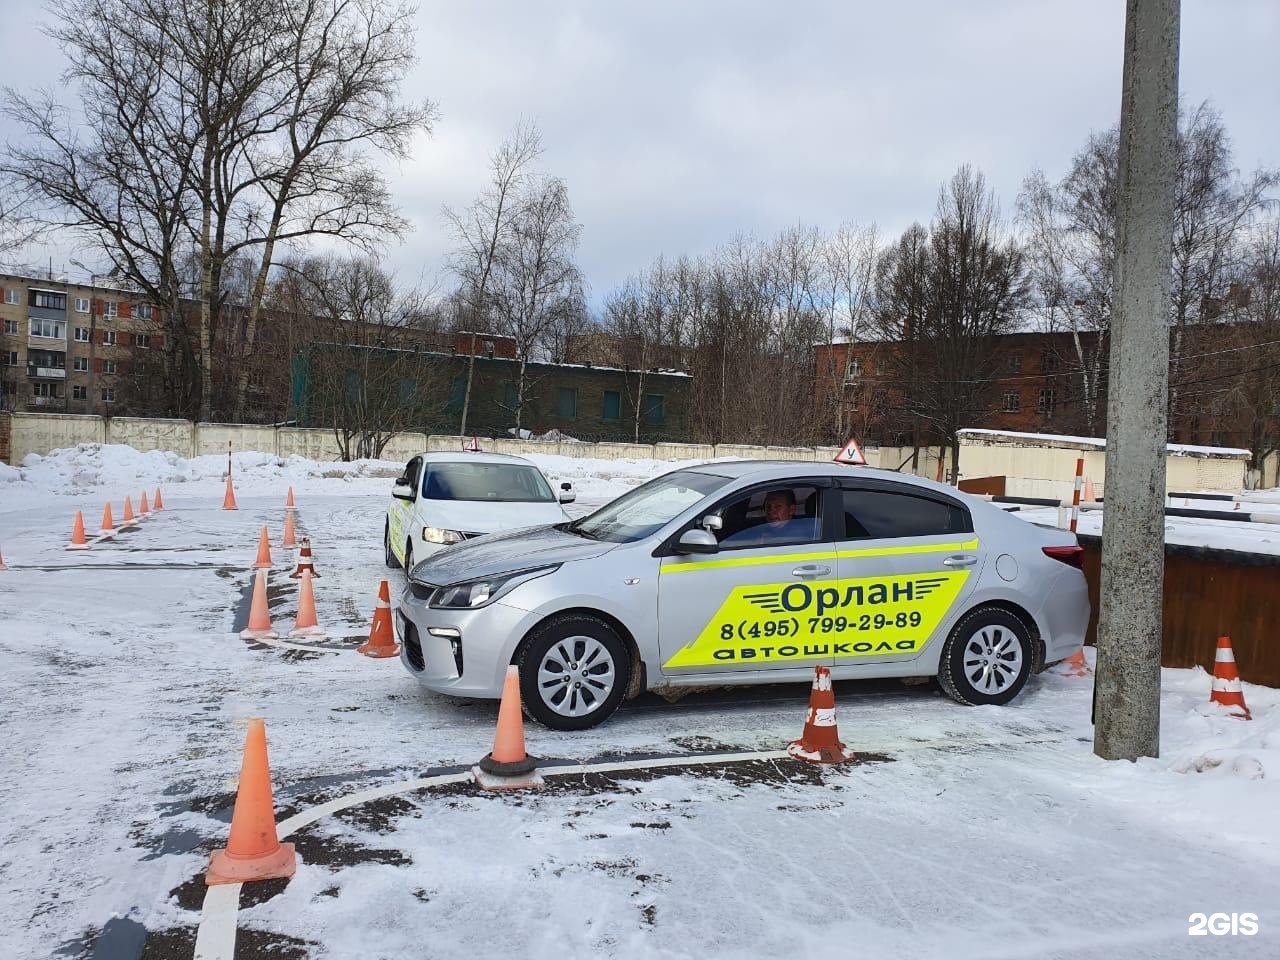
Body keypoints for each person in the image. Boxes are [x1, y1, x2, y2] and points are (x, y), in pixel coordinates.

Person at [722, 488, 817, 545]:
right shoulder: (760, 528)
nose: (771, 511)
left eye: (778, 506)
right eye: (768, 506)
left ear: (791, 510)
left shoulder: (800, 534)